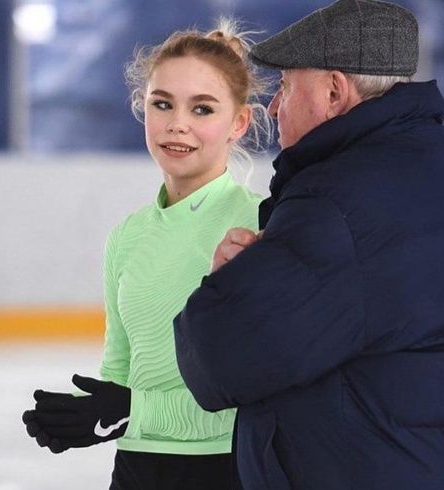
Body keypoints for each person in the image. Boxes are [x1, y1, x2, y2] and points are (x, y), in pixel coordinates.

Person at [174, 1, 444, 489]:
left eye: (286, 87)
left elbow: (220, 357)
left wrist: (225, 281)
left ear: (335, 91)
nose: (274, 106)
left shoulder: (337, 199)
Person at [21, 20, 271, 490]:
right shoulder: (128, 236)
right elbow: (118, 372)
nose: (178, 123)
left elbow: (255, 399)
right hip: (136, 470)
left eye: (202, 109)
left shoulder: (260, 225)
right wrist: (88, 416)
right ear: (143, 109)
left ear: (239, 123)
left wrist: (130, 410)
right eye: (163, 104)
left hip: (229, 471)